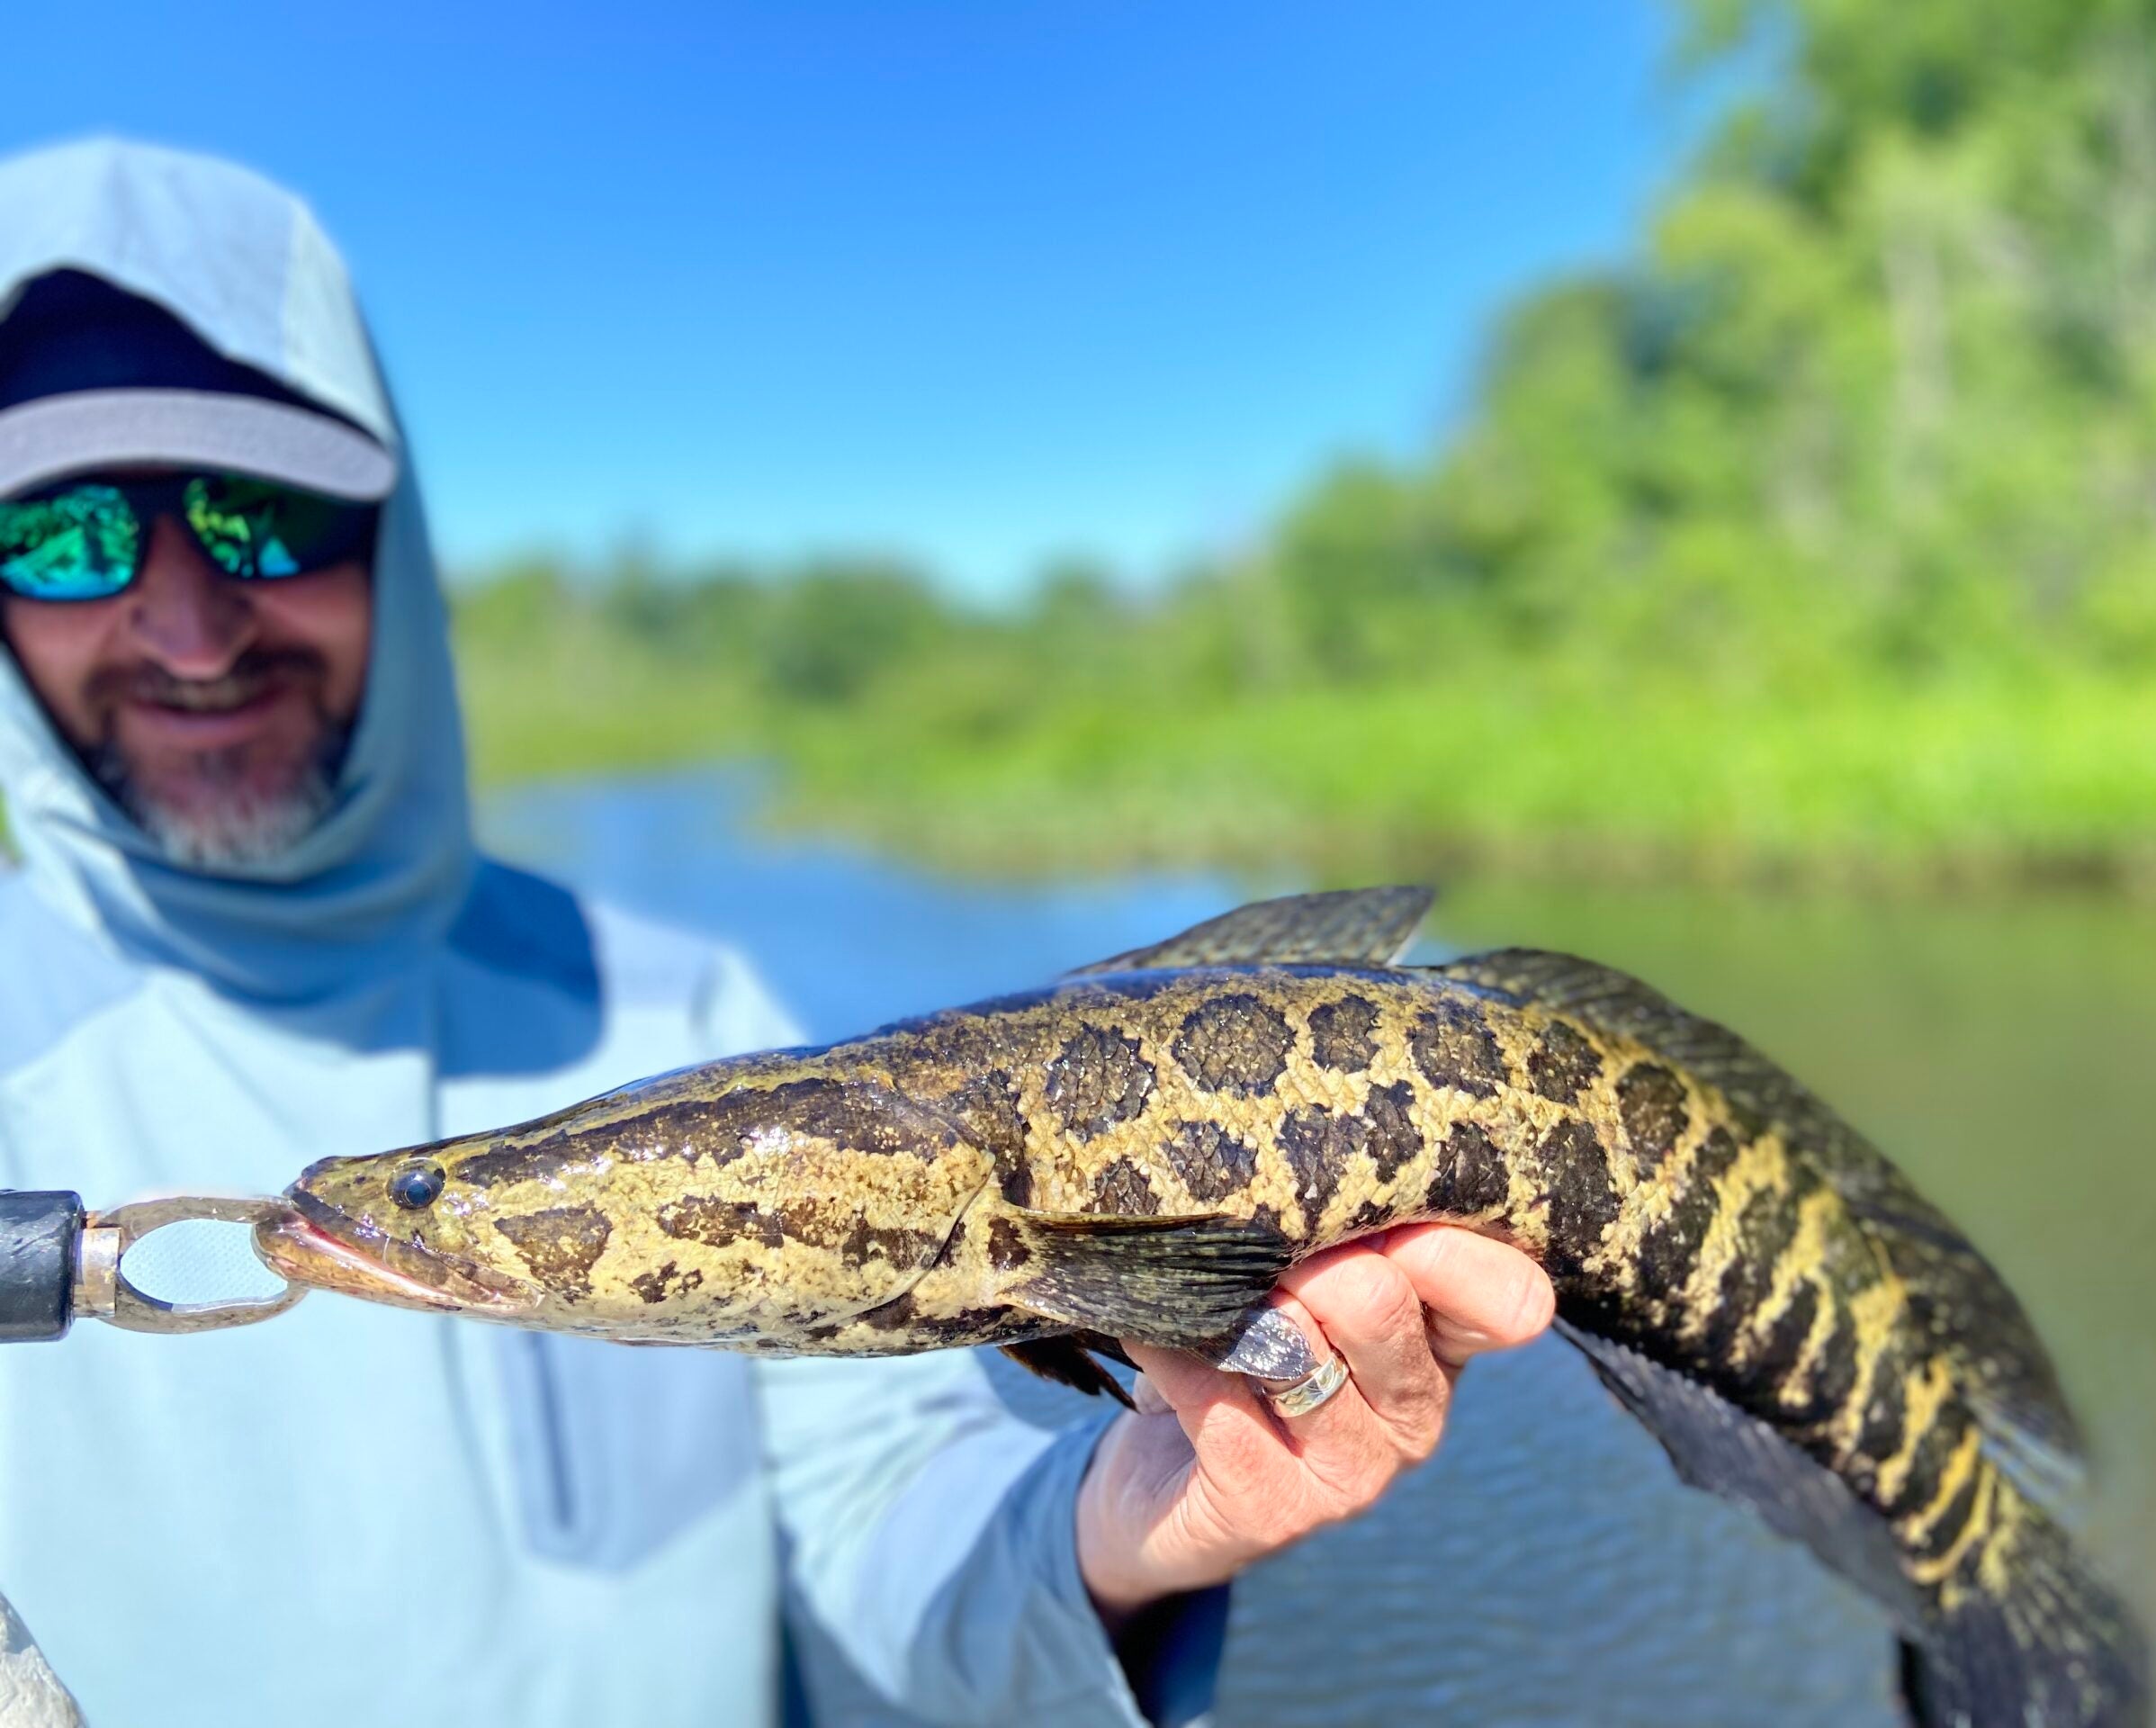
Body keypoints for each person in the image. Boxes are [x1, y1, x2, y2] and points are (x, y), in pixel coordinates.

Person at [0, 140, 1552, 1727]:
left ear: (383, 534)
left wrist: (1126, 1527)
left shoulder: (683, 1002)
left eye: (262, 518)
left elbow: (887, 1514)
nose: (185, 626)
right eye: (59, 538)